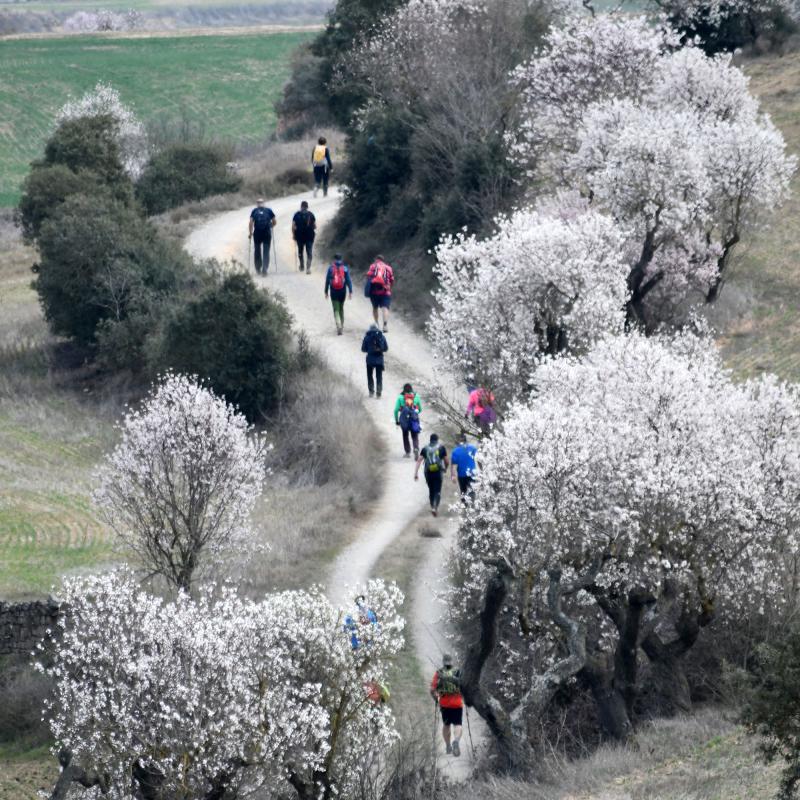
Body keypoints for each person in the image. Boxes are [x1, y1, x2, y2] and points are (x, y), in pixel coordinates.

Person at [430, 654, 463, 756]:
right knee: (458, 724)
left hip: (444, 704)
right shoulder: (458, 672)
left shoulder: (439, 673)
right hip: (457, 703)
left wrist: (436, 698)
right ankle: (456, 741)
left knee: (446, 725)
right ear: (451, 661)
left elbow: (432, 689)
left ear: (443, 661)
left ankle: (448, 746)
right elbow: (463, 685)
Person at [415, 433, 448, 516]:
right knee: (437, 490)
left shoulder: (425, 448)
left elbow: (419, 460)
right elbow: (446, 461)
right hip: (438, 472)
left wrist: (416, 473)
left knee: (431, 490)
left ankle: (432, 506)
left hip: (428, 472)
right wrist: (445, 469)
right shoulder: (441, 448)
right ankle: (435, 507)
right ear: (437, 440)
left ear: (430, 440)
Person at [325, 254, 354, 334]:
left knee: (336, 309)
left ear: (334, 259)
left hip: (334, 292)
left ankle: (339, 326)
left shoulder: (330, 268)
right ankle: (342, 324)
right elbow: (348, 281)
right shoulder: (345, 268)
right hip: (342, 291)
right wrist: (350, 291)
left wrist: (326, 291)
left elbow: (327, 281)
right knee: (341, 308)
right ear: (341, 259)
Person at [365, 255, 395, 332]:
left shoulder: (372, 266)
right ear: (383, 260)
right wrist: (389, 287)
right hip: (385, 291)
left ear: (376, 259)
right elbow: (392, 280)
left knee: (375, 308)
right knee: (385, 308)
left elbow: (368, 276)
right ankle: (385, 325)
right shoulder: (388, 268)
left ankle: (377, 324)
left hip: (374, 291)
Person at [248, 198, 276, 275]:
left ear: (257, 204)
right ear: (264, 203)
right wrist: (270, 226)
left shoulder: (254, 211)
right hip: (267, 233)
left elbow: (251, 223)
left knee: (257, 250)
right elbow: (274, 222)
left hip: (257, 233)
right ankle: (265, 268)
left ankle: (258, 268)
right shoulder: (269, 211)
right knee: (266, 251)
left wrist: (250, 233)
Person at [394, 383, 422, 458]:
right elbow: (420, 409)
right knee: (415, 434)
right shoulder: (416, 396)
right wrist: (415, 413)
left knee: (405, 435)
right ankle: (416, 448)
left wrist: (397, 421)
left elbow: (396, 410)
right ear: (411, 389)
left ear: (404, 389)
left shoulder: (400, 397)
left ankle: (407, 452)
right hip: (414, 418)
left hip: (404, 420)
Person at [361, 324, 388, 397]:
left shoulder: (367, 337)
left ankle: (371, 391)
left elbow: (363, 349)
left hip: (370, 360)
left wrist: (370, 350)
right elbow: (385, 348)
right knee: (379, 376)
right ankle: (379, 392)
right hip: (379, 360)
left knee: (370, 375)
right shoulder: (381, 336)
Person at [450, 433, 478, 503]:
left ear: (459, 441)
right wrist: (482, 470)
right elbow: (479, 459)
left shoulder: (455, 451)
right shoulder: (473, 448)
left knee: (463, 491)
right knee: (472, 490)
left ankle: (465, 507)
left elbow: (453, 465)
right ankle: (472, 505)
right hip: (472, 473)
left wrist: (453, 476)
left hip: (462, 475)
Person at [292, 200, 316, 273]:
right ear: (307, 207)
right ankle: (308, 268)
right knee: (309, 252)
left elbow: (293, 226)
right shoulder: (311, 214)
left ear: (301, 206)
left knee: (300, 251)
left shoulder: (297, 214)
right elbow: (315, 226)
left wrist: (294, 235)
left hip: (299, 236)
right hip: (309, 236)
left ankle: (302, 266)